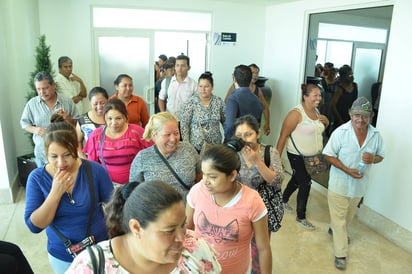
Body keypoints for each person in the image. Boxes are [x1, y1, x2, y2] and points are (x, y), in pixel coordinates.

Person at [66, 180, 221, 273]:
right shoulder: (91, 266)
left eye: (183, 225)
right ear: (136, 228)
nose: (182, 237)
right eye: (169, 231)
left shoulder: (196, 249)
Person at [24, 115, 114, 274]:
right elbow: (34, 226)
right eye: (54, 156)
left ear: (76, 148)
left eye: (66, 154)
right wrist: (55, 194)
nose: (61, 163)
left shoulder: (94, 171)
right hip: (62, 255)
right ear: (46, 153)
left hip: (99, 248)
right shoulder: (37, 178)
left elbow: (115, 209)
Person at [186, 143, 272, 274]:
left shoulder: (252, 201)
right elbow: (187, 229)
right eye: (204, 174)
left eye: (213, 177)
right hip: (200, 270)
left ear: (232, 175)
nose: (205, 181)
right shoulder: (197, 191)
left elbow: (263, 248)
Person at [323, 97, 384, 270]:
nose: (360, 119)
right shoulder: (340, 132)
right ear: (350, 114)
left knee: (348, 216)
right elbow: (328, 154)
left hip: (359, 186)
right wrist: (346, 169)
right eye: (356, 115)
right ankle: (340, 254)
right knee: (340, 220)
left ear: (371, 116)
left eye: (364, 116)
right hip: (339, 184)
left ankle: (333, 229)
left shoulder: (375, 135)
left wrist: (373, 158)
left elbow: (381, 155)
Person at [234, 114, 284, 273]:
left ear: (258, 133)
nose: (244, 140)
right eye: (239, 136)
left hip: (261, 209)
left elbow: (276, 181)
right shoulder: (234, 154)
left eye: (248, 134)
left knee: (259, 248)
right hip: (238, 208)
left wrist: (256, 160)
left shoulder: (270, 152)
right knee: (237, 246)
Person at [276, 83, 329, 230]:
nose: (319, 98)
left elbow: (317, 131)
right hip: (296, 155)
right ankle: (301, 216)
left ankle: (283, 199)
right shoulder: (296, 114)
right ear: (305, 96)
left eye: (320, 95)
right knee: (305, 183)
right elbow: (283, 136)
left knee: (297, 179)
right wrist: (276, 160)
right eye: (315, 95)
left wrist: (327, 123)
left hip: (312, 157)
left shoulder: (317, 112)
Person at [129, 112, 200, 199]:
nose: (173, 139)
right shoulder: (142, 158)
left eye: (176, 133)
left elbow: (200, 179)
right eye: (167, 135)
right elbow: (134, 193)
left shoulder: (188, 149)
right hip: (157, 210)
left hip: (188, 209)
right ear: (154, 135)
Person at [83, 98, 153, 185]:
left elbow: (152, 153)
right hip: (106, 185)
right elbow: (92, 165)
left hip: (134, 185)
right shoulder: (96, 136)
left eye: (118, 118)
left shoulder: (137, 132)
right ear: (104, 118)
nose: (114, 122)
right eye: (109, 119)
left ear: (125, 117)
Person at [20, 71, 79, 167]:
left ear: (54, 85)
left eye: (45, 88)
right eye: (38, 89)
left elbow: (78, 124)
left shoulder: (67, 102)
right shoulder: (32, 104)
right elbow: (24, 124)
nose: (42, 92)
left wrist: (68, 119)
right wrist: (35, 129)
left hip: (65, 155)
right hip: (42, 155)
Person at [180, 71, 226, 152]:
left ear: (212, 87)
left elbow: (225, 122)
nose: (203, 89)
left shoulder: (218, 102)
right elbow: (184, 126)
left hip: (215, 147)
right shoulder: (190, 103)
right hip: (196, 148)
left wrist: (227, 141)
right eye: (200, 86)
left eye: (206, 86)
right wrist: (187, 146)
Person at [224, 64, 271, 136]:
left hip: (238, 138)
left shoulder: (233, 99)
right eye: (253, 73)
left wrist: (228, 139)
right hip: (251, 137)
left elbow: (229, 125)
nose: (255, 75)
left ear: (234, 79)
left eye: (256, 73)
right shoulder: (255, 98)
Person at [158, 54, 197, 119]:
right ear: (175, 67)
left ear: (189, 68)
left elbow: (197, 105)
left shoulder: (193, 85)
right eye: (177, 65)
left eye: (183, 66)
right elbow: (161, 99)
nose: (180, 68)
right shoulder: (167, 82)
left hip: (186, 122)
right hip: (169, 120)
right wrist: (163, 114)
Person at [75, 86, 108, 157]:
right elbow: (77, 142)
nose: (99, 107)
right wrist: (82, 157)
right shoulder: (82, 120)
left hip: (111, 160)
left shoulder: (113, 118)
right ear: (90, 103)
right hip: (90, 160)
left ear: (107, 100)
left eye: (102, 103)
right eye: (95, 104)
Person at [330, 65, 358, 132]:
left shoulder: (355, 86)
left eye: (352, 74)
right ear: (344, 76)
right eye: (349, 75)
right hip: (341, 118)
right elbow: (332, 106)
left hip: (350, 117)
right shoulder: (340, 89)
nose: (352, 76)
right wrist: (340, 120)